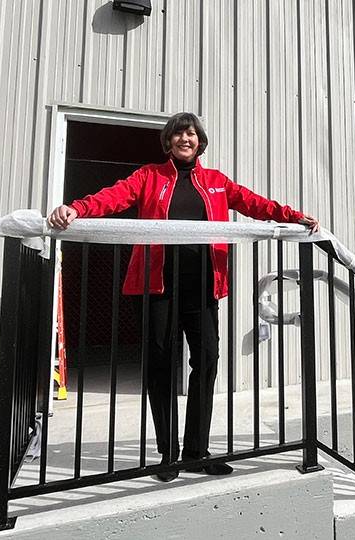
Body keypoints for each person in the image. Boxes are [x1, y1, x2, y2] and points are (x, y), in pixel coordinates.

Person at [48, 112, 318, 482]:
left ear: (200, 141)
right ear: (168, 142)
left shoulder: (216, 181)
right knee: (160, 366)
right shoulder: (148, 177)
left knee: (206, 361)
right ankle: (168, 455)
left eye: (191, 133)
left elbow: (255, 204)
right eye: (177, 134)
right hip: (158, 286)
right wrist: (76, 208)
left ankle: (196, 451)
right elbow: (113, 197)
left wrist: (293, 217)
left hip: (204, 287)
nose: (184, 139)